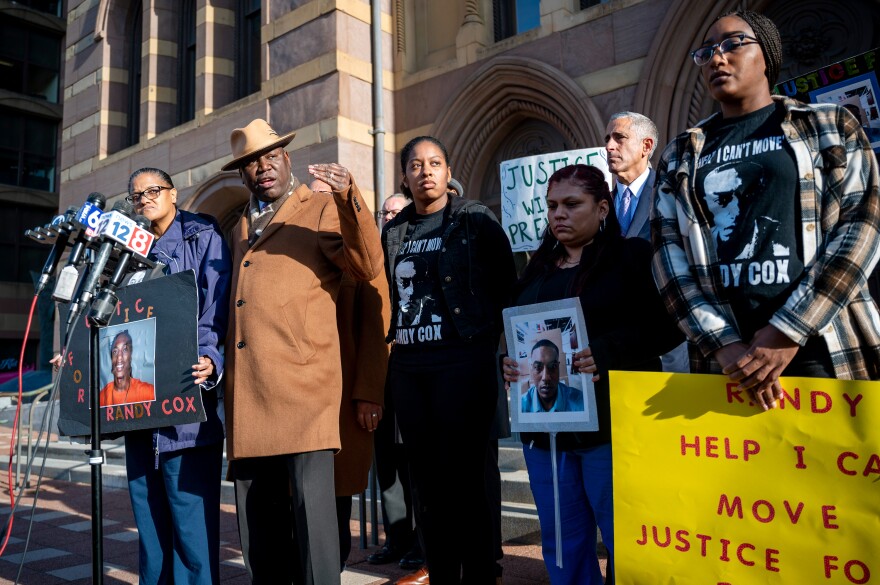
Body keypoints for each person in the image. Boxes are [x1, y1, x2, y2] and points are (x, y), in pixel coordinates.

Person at [651, 10, 880, 408]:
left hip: (824, 346)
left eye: (733, 44)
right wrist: (722, 344)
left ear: (768, 55)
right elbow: (667, 256)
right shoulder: (680, 153)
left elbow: (863, 223)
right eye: (706, 52)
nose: (717, 59)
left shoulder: (829, 125)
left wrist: (787, 330)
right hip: (726, 364)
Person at [501, 164, 681, 584]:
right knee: (564, 541)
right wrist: (510, 362)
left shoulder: (631, 257)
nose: (558, 214)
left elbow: (668, 327)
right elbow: (520, 332)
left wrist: (605, 350)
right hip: (547, 434)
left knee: (626, 536)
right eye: (551, 206)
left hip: (612, 428)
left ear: (602, 208)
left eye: (571, 204)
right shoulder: (536, 270)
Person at [222, 119, 383, 585]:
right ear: (242, 174)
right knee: (263, 545)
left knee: (315, 540)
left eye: (270, 156)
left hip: (303, 398)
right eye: (251, 163)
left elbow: (366, 264)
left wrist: (350, 198)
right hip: (250, 403)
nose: (262, 168)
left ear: (287, 159)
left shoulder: (318, 208)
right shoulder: (241, 225)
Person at [382, 136, 516, 585]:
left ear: (448, 169)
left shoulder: (475, 219)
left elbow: (505, 283)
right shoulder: (395, 229)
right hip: (410, 367)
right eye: (416, 165)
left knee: (468, 479)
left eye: (435, 162)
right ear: (405, 176)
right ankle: (441, 572)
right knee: (427, 481)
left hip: (464, 360)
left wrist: (492, 346)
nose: (426, 171)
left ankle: (480, 572)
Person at [124, 166, 232, 585]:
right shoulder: (129, 248)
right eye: (137, 196)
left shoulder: (201, 236)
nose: (145, 199)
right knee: (149, 521)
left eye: (154, 191)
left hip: (184, 401)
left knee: (190, 525)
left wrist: (209, 356)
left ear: (173, 193)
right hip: (135, 405)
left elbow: (214, 307)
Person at [310, 178, 390, 571]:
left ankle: (331, 569)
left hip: (342, 396)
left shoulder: (360, 252)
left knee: (334, 497)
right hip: (299, 401)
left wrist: (369, 393)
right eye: (312, 196)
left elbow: (376, 328)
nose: (318, 204)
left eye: (327, 196)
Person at [605, 111, 690, 374]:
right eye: (607, 138)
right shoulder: (598, 206)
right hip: (615, 344)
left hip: (670, 338)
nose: (609, 146)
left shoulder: (674, 192)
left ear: (647, 146)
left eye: (619, 137)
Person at [519, 339, 584, 413]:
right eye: (538, 367)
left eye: (553, 366)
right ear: (532, 368)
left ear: (558, 367)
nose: (545, 378)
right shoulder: (521, 406)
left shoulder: (580, 402)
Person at [99, 330, 156, 407]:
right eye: (115, 351)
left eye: (125, 350)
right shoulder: (101, 397)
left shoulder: (148, 393)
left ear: (131, 357)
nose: (119, 357)